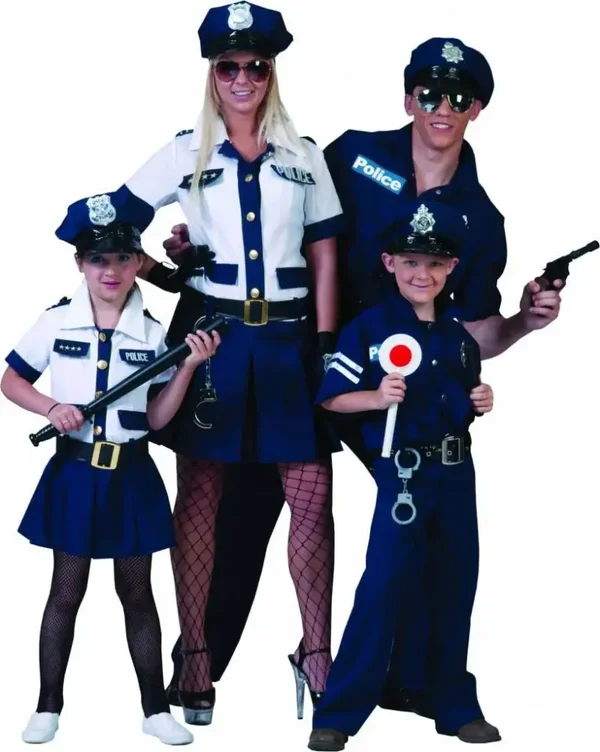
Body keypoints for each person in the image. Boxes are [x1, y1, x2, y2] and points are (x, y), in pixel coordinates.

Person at [158, 35, 562, 715]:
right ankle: (200, 663)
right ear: (408, 99)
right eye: (429, 93)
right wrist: (203, 242)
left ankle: (404, 680)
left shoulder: (481, 218)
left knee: (424, 517)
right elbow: (279, 220)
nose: (441, 107)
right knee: (241, 508)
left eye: (458, 97)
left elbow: (469, 335)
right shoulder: (351, 156)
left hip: (395, 396)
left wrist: (523, 321)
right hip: (300, 362)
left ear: (477, 109)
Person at [109, 2, 344, 724]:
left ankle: (315, 652)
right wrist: (166, 273)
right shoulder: (186, 151)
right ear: (212, 73)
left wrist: (327, 344)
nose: (243, 78)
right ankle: (198, 655)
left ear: (273, 73)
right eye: (229, 66)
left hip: (289, 340)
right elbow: (109, 221)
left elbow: (324, 252)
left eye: (257, 66)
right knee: (201, 496)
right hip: (212, 340)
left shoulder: (303, 155)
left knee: (312, 496)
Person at [0, 190, 220, 745]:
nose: (112, 270)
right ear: (80, 263)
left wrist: (187, 367)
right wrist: (51, 407)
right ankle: (48, 705)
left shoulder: (153, 333)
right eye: (99, 259)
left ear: (138, 262)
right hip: (75, 476)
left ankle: (154, 710)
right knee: (65, 592)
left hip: (131, 476)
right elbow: (11, 379)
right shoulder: (57, 322)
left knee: (138, 593)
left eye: (124, 258)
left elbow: (156, 417)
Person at [308, 199, 500, 750]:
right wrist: (375, 396)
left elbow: (458, 402)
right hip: (404, 474)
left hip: (456, 473)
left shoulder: (458, 339)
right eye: (411, 262)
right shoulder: (369, 329)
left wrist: (480, 400)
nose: (423, 274)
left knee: (455, 583)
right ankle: (339, 712)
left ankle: (452, 702)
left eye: (435, 264)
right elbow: (331, 398)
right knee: (384, 583)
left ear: (451, 268)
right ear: (390, 263)